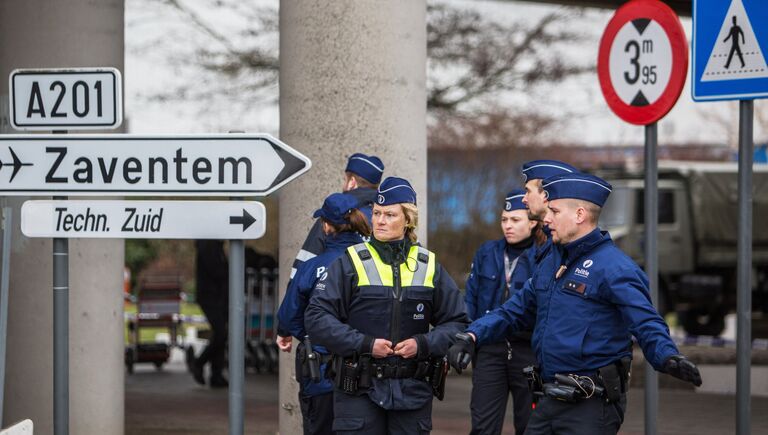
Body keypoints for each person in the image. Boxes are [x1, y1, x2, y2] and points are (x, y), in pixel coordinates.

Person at [448, 172, 702, 435]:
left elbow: (645, 320)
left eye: (554, 211)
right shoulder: (551, 262)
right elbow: (513, 311)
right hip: (550, 398)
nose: (546, 219)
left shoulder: (614, 268)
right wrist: (472, 334)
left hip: (591, 405)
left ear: (579, 215)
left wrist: (666, 355)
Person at [305, 176, 469, 434]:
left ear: (408, 220)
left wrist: (423, 344)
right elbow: (316, 317)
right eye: (377, 213)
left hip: (412, 392)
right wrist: (364, 344)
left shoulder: (429, 265)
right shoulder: (350, 262)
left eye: (390, 215)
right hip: (359, 390)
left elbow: (457, 322)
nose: (380, 221)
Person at [276, 193, 372, 435]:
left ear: (326, 226)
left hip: (319, 373)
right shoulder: (373, 266)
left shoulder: (311, 267)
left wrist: (301, 334)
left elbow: (289, 315)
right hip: (365, 372)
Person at [464, 189, 537, 435]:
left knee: (530, 425)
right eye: (504, 219)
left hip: (528, 353)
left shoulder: (543, 256)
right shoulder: (487, 252)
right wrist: (470, 336)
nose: (508, 226)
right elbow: (471, 297)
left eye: (515, 220)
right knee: (483, 426)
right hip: (489, 349)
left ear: (533, 222)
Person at [289, 153, 385, 280]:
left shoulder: (334, 214)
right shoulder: (387, 219)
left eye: (345, 179)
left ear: (352, 182)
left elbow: (303, 265)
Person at [192, 240, 229, 388]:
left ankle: (216, 374)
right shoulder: (208, 245)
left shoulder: (215, 245)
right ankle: (199, 362)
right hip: (210, 296)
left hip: (220, 296)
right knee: (221, 333)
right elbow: (217, 271)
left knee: (220, 334)